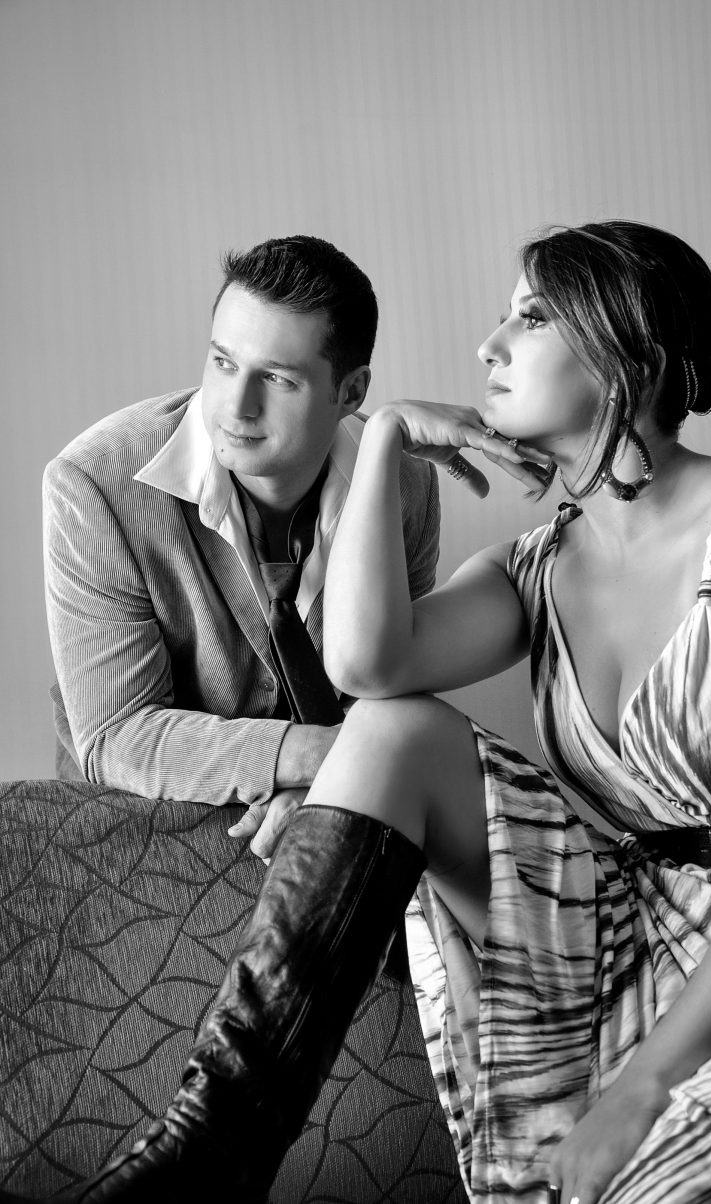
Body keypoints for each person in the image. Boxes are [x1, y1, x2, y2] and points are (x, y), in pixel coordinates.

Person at [14, 220, 711, 1204]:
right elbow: (367, 670)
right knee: (394, 727)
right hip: (603, 940)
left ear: (620, 353)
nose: (487, 346)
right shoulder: (533, 567)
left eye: (530, 317)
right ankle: (205, 1158)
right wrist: (383, 438)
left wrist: (643, 1087)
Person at [42, 234, 440, 856]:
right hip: (136, 828)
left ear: (352, 392)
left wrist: (326, 781)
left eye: (277, 379)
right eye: (223, 363)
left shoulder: (405, 482)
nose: (236, 406)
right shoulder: (94, 483)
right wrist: (328, 760)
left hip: (325, 814)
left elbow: (395, 684)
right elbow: (117, 735)